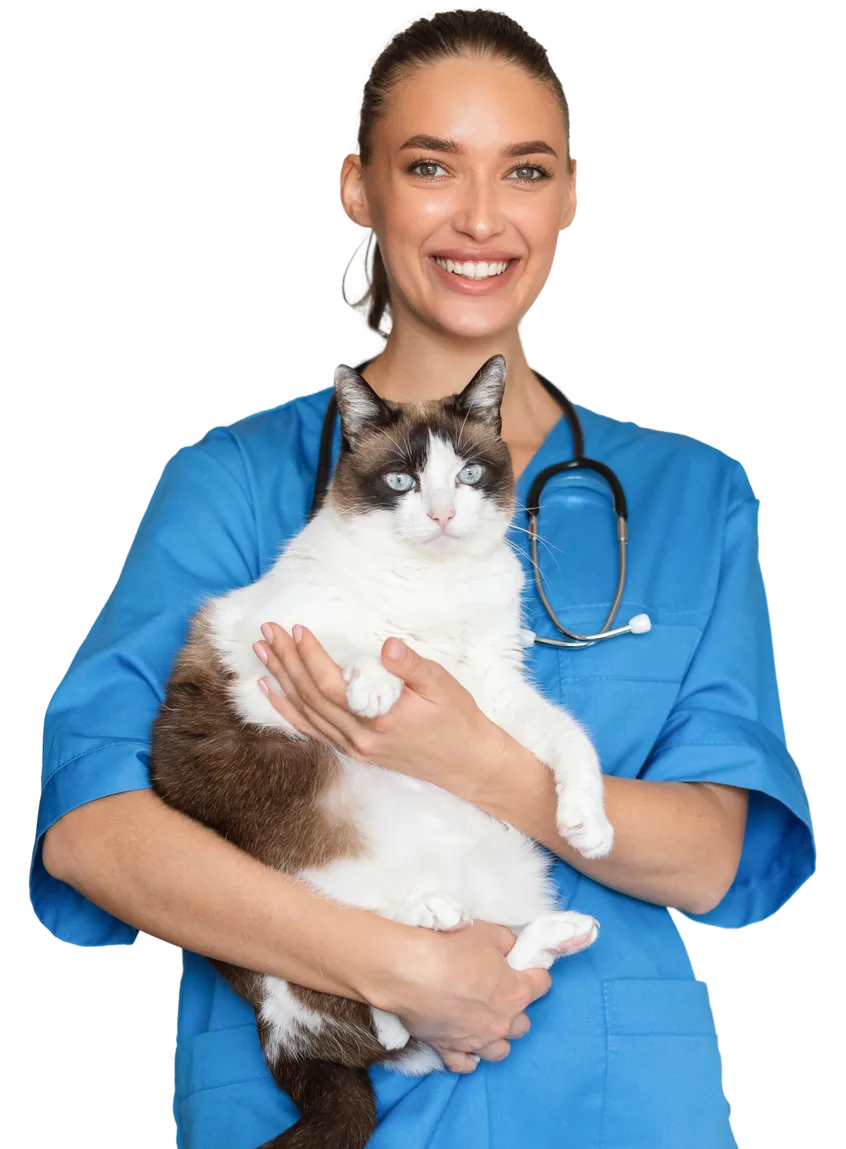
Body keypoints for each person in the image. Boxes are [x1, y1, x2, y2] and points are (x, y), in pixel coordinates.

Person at [32, 9, 815, 1148]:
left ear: (573, 197)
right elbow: (91, 828)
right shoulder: (233, 479)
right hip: (309, 1082)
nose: (481, 218)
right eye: (431, 166)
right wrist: (395, 965)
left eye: (526, 171)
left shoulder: (695, 493)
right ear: (357, 187)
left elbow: (714, 857)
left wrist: (481, 760)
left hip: (609, 1106)